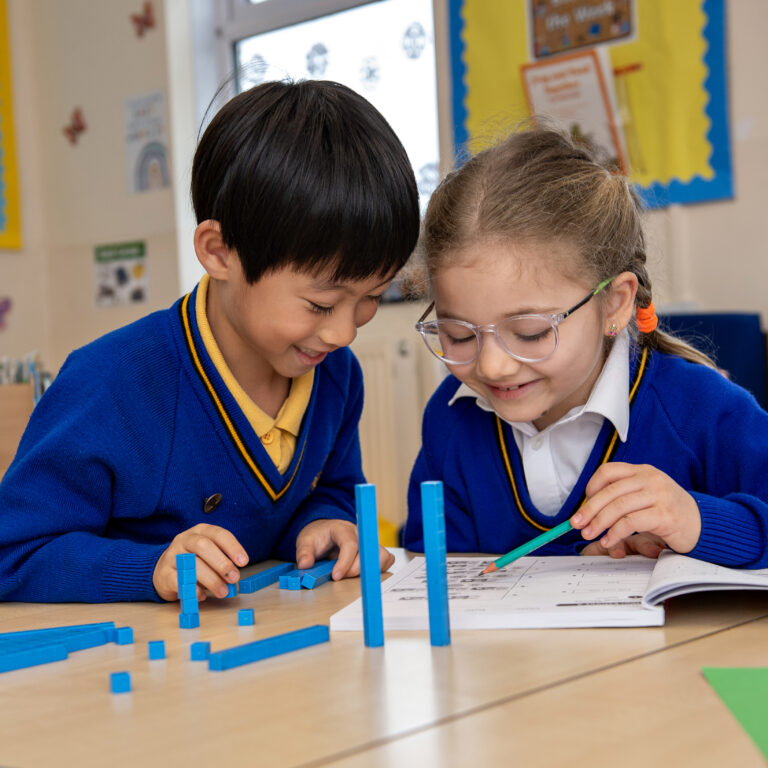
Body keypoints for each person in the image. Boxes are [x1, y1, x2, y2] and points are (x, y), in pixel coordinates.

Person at [0, 80, 420, 602]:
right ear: (219, 253)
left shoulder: (335, 375)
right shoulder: (112, 384)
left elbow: (330, 490)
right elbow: (13, 554)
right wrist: (148, 567)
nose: (344, 332)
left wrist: (325, 524)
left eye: (371, 297)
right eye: (320, 304)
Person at [404, 124, 768, 569]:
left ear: (615, 304)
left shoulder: (703, 410)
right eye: (459, 334)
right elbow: (434, 569)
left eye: (531, 332)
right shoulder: (451, 419)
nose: (494, 367)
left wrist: (695, 520)